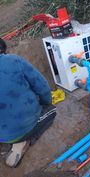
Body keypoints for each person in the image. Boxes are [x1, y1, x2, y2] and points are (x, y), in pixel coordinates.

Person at [0, 38, 56, 167]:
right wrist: (46, 102)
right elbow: (42, 87)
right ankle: (22, 141)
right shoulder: (13, 60)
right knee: (52, 110)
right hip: (16, 132)